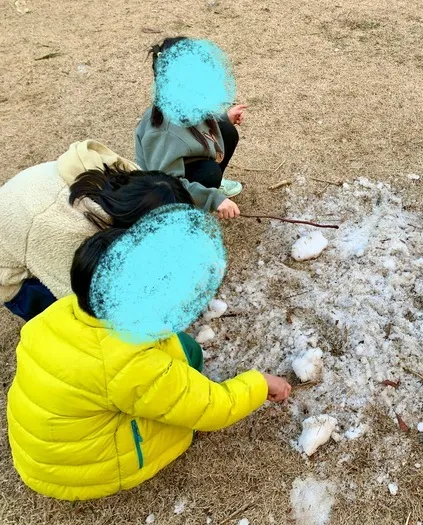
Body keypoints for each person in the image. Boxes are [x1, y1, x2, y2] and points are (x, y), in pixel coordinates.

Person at [7, 226, 292, 501]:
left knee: (184, 348)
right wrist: (259, 383)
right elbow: (212, 407)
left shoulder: (61, 312)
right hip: (81, 469)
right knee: (182, 404)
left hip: (51, 449)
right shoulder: (130, 364)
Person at [0, 140, 193, 321]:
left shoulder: (140, 184)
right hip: (15, 274)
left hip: (31, 219)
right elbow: (81, 297)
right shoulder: (67, 230)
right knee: (78, 317)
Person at [135, 36, 246, 220]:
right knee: (209, 173)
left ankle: (209, 187)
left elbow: (198, 121)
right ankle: (187, 213)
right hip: (162, 187)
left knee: (227, 130)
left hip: (183, 158)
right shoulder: (165, 132)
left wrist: (225, 118)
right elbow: (165, 184)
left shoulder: (182, 101)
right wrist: (212, 198)